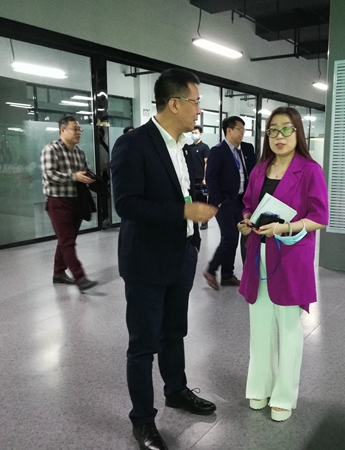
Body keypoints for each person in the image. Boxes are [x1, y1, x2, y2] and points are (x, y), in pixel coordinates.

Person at [111, 68, 218, 450]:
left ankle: (176, 390)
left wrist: (192, 240)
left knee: (175, 331)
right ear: (174, 104)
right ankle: (142, 421)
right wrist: (184, 212)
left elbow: (182, 193)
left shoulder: (183, 146)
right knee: (143, 345)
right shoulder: (133, 144)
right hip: (146, 261)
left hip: (180, 254)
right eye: (195, 102)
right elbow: (127, 205)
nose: (199, 110)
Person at [237, 107, 329, 422]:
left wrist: (285, 227)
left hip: (290, 256)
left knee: (288, 328)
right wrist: (246, 221)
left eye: (286, 129)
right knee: (260, 326)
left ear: (298, 132)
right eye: (273, 130)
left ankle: (284, 395)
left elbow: (320, 218)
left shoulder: (310, 170)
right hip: (257, 253)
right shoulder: (259, 169)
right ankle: (259, 386)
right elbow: (248, 205)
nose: (279, 136)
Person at [40, 116, 98, 293]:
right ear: (62, 130)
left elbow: (85, 171)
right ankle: (81, 278)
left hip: (77, 201)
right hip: (58, 201)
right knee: (67, 242)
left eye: (80, 129)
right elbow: (49, 175)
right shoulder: (51, 149)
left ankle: (58, 273)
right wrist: (74, 177)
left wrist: (91, 178)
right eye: (75, 129)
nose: (79, 132)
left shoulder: (80, 152)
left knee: (67, 239)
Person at [203, 116, 249, 290]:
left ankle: (227, 275)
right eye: (239, 129)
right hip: (224, 202)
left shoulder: (244, 150)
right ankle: (211, 270)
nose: (242, 133)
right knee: (229, 237)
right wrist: (219, 202)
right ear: (229, 130)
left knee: (235, 238)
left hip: (240, 201)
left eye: (244, 129)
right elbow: (211, 178)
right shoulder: (218, 151)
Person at [184, 125, 211, 229]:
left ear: (201, 134)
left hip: (201, 179)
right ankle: (194, 222)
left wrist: (205, 178)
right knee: (193, 201)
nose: (194, 135)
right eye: (192, 133)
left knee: (203, 200)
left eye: (196, 133)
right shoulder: (189, 148)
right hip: (191, 179)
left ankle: (204, 222)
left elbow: (206, 163)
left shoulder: (205, 147)